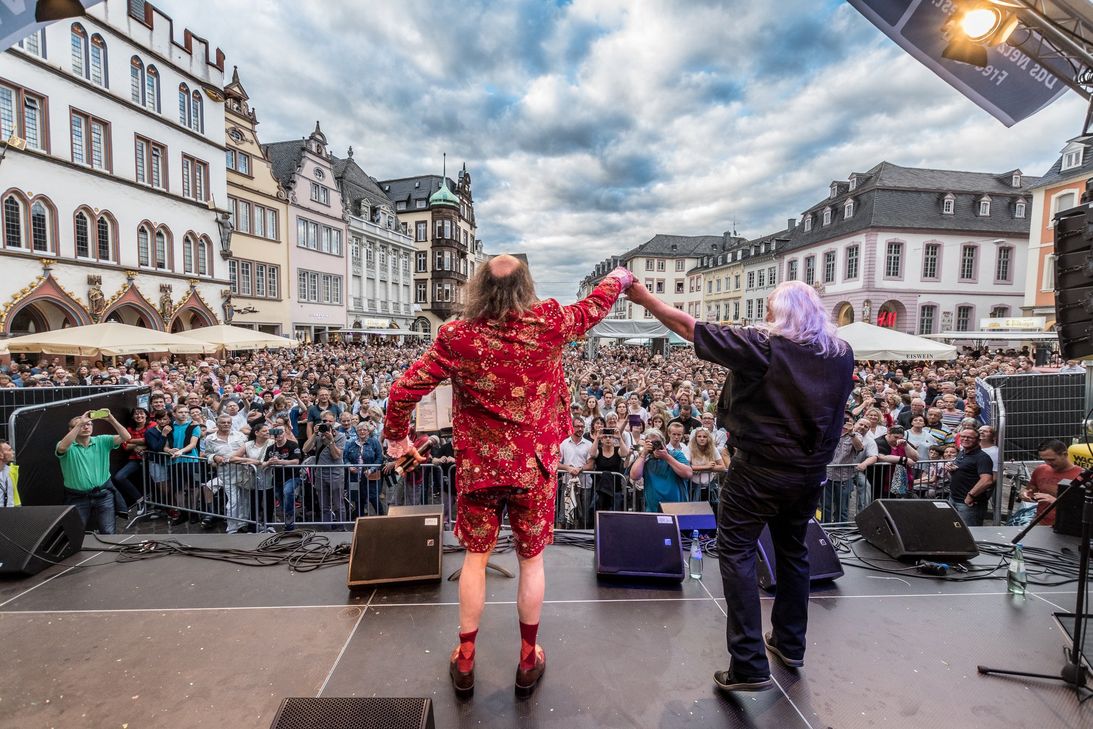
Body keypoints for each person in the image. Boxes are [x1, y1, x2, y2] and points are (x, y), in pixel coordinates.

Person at [383, 255, 629, 699]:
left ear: (478, 287)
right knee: (530, 561)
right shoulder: (550, 322)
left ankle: (465, 659)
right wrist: (620, 277)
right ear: (526, 285)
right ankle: (527, 657)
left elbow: (403, 390)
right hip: (533, 469)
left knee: (475, 559)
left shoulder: (457, 336)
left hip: (479, 469)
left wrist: (398, 440)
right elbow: (595, 305)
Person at [626, 278, 853, 694]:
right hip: (808, 473)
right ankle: (789, 643)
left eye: (769, 309)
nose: (765, 316)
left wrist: (643, 298)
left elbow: (689, 328)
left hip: (760, 469)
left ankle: (748, 663)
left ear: (780, 313)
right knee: (793, 551)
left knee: (737, 552)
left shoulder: (764, 348)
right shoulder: (840, 353)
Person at [56, 409, 131, 533]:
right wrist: (81, 422)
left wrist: (111, 419)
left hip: (103, 494)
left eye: (89, 424)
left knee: (108, 532)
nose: (86, 426)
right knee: (75, 533)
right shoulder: (66, 445)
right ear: (71, 429)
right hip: (77, 497)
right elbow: (62, 448)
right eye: (80, 424)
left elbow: (126, 437)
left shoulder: (102, 440)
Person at [629, 424, 691, 512]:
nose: (655, 446)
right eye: (651, 443)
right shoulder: (646, 459)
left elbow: (688, 473)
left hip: (677, 508)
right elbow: (634, 476)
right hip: (653, 509)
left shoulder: (676, 454)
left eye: (657, 442)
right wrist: (643, 454)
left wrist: (666, 457)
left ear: (663, 442)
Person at [1022, 439, 1082, 527]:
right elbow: (1030, 490)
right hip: (1040, 523)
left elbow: (1082, 507)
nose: (1048, 463)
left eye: (1052, 459)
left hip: (1068, 527)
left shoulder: (1081, 476)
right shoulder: (1041, 470)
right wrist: (1025, 494)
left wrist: (1055, 501)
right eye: (1044, 460)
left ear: (1064, 454)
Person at [946, 428, 995, 527]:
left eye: (969, 437)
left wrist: (971, 496)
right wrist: (951, 470)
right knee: (957, 532)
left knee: (971, 535)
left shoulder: (982, 457)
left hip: (969, 504)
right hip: (954, 499)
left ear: (978, 440)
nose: (965, 439)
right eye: (963, 436)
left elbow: (987, 480)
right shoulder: (962, 453)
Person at [265, 424, 304, 529]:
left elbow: (296, 461)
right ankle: (288, 523)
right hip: (277, 479)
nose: (278, 434)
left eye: (281, 431)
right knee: (282, 501)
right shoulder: (270, 448)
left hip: (292, 476)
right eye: (276, 432)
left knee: (287, 492)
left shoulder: (293, 445)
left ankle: (290, 519)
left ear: (286, 432)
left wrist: (280, 461)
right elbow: (265, 463)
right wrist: (269, 462)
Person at [0, 440, 20, 507]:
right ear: (1, 455)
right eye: (9, 450)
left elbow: (14, 496)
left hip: (10, 513)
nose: (13, 452)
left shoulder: (11, 471)